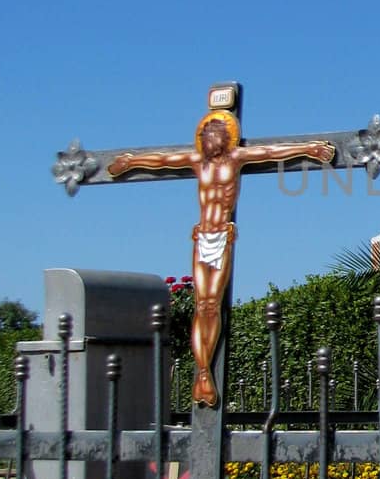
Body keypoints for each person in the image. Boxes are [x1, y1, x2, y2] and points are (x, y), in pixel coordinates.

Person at [109, 112, 335, 406]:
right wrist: (129, 162)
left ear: (224, 137)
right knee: (201, 305)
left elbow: (271, 152)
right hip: (201, 235)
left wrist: (311, 150)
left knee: (212, 304)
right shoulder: (196, 162)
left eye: (211, 134)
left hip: (221, 236)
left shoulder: (235, 159)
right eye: (203, 135)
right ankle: (203, 373)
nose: (205, 139)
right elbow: (162, 160)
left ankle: (206, 373)